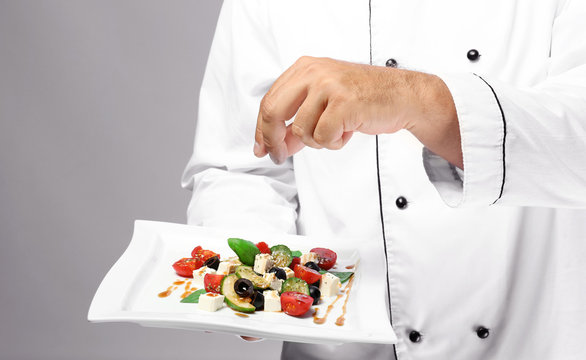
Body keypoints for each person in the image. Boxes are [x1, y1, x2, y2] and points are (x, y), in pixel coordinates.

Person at [181, 0, 586, 359]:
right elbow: (243, 167)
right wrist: (254, 278)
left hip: (530, 342)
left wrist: (420, 101)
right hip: (334, 347)